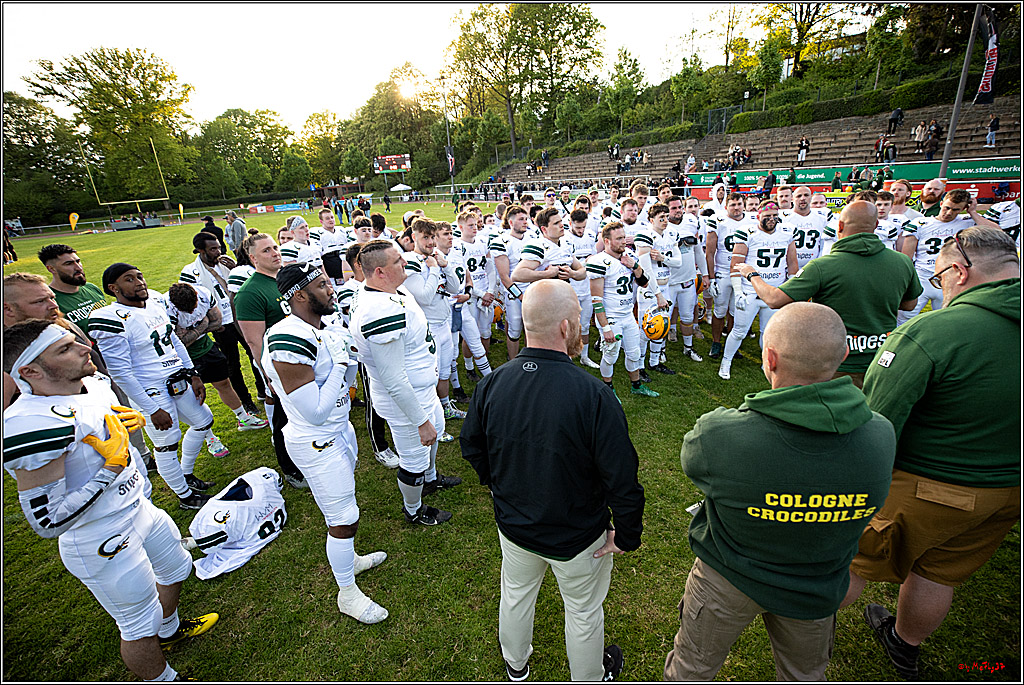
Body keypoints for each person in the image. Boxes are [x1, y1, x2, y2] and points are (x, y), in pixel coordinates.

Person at [663, 302, 895, 681]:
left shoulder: (720, 434)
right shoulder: (880, 435)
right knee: (805, 675)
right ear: (844, 356)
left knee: (692, 669)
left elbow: (696, 467)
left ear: (769, 358)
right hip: (815, 586)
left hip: (728, 575)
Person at [841, 227, 1020, 680]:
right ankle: (905, 644)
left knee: (852, 558)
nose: (940, 283)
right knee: (940, 571)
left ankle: (802, 628)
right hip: (1007, 489)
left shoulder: (937, 330)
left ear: (959, 272)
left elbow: (878, 418)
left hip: (927, 482)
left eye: (940, 274)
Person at [3, 320, 219, 681]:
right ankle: (164, 676)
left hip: (138, 506)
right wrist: (110, 468)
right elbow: (48, 521)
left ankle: (168, 632)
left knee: (178, 568)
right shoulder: (29, 423)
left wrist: (119, 424)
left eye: (75, 342)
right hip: (99, 534)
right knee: (137, 623)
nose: (85, 349)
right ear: (31, 371)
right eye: (66, 350)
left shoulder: (95, 386)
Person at [460, 279, 643, 682]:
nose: (580, 324)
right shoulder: (594, 395)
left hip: (516, 526)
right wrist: (627, 534)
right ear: (565, 327)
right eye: (578, 317)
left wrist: (500, 486)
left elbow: (472, 447)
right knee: (582, 611)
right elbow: (622, 478)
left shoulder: (492, 382)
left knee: (517, 596)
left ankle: (515, 664)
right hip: (577, 535)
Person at [261, 262, 389, 624]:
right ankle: (347, 594)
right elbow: (314, 411)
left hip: (339, 429)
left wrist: (343, 367)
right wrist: (338, 367)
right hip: (315, 438)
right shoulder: (287, 338)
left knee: (347, 507)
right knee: (343, 518)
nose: (332, 288)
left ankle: (350, 560)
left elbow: (343, 381)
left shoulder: (324, 325)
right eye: (321, 285)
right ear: (299, 295)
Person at [738, 201, 922, 388]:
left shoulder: (823, 267)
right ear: (875, 225)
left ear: (840, 226)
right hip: (881, 358)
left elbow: (774, 299)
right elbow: (909, 305)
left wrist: (752, 274)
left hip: (836, 360)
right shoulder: (902, 262)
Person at [350, 240, 460, 526]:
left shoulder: (390, 291)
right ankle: (413, 509)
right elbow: (393, 379)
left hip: (421, 389)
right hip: (405, 399)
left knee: (437, 431)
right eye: (398, 261)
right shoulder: (380, 310)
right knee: (413, 459)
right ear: (379, 272)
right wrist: (419, 420)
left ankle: (431, 480)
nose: (406, 264)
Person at [234, 232, 307, 489]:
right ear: (253, 258)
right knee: (283, 416)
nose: (275, 252)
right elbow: (254, 341)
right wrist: (269, 376)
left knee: (302, 410)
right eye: (266, 250)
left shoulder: (286, 278)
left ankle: (308, 455)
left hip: (302, 355)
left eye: (275, 248)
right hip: (278, 363)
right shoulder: (249, 292)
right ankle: (290, 468)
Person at [164, 282, 268, 431]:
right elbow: (179, 342)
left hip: (206, 348)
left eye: (194, 307)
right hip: (183, 356)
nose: (193, 311)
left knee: (224, 383)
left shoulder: (204, 294)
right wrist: (204, 323)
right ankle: (208, 436)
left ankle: (243, 419)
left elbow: (218, 322)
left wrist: (192, 331)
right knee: (192, 395)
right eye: (187, 311)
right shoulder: (166, 309)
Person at [180, 233, 263, 416]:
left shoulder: (227, 264)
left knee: (256, 354)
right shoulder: (190, 271)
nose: (218, 251)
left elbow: (248, 282)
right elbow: (190, 303)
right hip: (222, 325)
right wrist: (212, 322)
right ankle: (246, 401)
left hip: (241, 317)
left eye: (219, 247)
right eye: (213, 249)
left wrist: (236, 268)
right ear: (200, 250)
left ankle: (262, 390)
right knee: (232, 364)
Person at [717, 201, 798, 381]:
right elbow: (735, 265)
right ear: (758, 215)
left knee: (768, 332)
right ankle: (726, 361)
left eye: (775, 216)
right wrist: (738, 291)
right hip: (750, 291)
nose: (771, 219)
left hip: (774, 291)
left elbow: (792, 262)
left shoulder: (787, 233)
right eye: (767, 216)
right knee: (739, 330)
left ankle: (766, 363)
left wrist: (791, 285)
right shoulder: (748, 233)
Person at [402, 218, 466, 443]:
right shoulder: (411, 261)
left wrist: (445, 266)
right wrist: (434, 270)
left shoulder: (435, 258)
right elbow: (425, 296)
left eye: (432, 237)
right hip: (425, 328)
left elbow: (455, 288)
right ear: (413, 238)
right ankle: (431, 421)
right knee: (429, 376)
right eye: (425, 237)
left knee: (446, 369)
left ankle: (446, 408)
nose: (429, 242)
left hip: (443, 323)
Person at [898, 189, 999, 323]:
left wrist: (973, 212)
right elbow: (907, 257)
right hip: (922, 278)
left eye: (956, 210)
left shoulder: (967, 221)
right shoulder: (920, 223)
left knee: (945, 321)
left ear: (964, 208)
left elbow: (997, 233)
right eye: (947, 208)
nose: (949, 213)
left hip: (951, 279)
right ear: (941, 204)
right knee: (904, 318)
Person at [586, 222, 659, 398]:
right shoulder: (599, 261)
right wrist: (605, 327)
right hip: (611, 316)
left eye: (623, 237)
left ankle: (636, 386)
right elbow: (596, 300)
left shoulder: (629, 256)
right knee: (610, 355)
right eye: (618, 238)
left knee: (634, 353)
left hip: (627, 314)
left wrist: (634, 266)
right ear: (606, 241)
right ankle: (608, 390)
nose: (623, 241)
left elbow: (645, 283)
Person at [704, 193, 754, 359]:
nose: (736, 207)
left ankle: (732, 344)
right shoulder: (718, 221)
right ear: (726, 206)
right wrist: (711, 278)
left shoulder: (752, 221)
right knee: (719, 310)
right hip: (723, 271)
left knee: (736, 310)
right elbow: (710, 252)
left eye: (739, 204)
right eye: (732, 204)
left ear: (744, 205)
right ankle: (716, 342)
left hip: (742, 272)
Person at [38, 244, 108, 335]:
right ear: (51, 269)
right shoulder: (49, 302)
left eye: (78, 261)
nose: (78, 268)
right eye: (69, 264)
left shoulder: (91, 288)